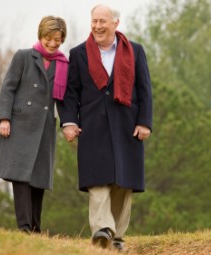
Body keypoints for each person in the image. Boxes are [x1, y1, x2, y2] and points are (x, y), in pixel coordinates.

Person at [57, 4, 152, 250]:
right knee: (97, 180)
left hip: (127, 126)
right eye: (94, 21)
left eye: (103, 21)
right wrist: (69, 122)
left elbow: (144, 91)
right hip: (93, 127)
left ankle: (117, 237)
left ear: (115, 24)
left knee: (122, 182)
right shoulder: (78, 54)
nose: (97, 26)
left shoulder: (136, 51)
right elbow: (70, 93)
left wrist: (144, 122)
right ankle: (102, 229)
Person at [0, 16, 68, 234]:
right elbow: (8, 88)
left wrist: (69, 123)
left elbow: (65, 100)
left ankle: (35, 227)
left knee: (38, 179)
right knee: (20, 177)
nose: (52, 44)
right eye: (48, 39)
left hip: (44, 127)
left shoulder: (63, 64)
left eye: (57, 40)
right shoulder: (24, 56)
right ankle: (23, 227)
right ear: (40, 35)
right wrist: (4, 118)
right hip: (19, 125)